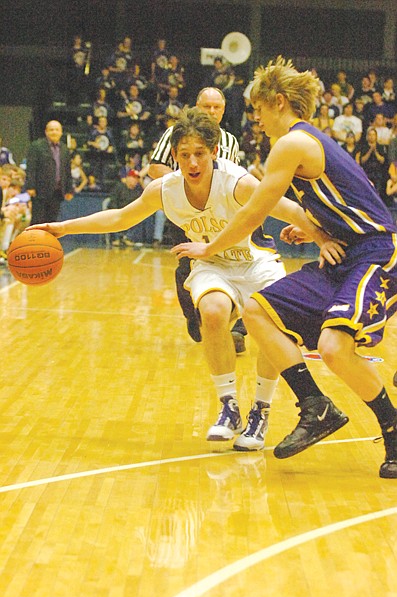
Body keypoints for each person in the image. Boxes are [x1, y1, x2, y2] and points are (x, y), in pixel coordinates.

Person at [27, 108, 320, 451]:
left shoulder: (238, 182)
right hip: (212, 262)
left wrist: (321, 235)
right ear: (175, 156)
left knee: (271, 325)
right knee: (211, 313)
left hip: (255, 262)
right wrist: (63, 228)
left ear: (213, 152)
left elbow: (286, 208)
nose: (192, 162)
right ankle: (229, 407)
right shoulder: (165, 189)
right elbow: (121, 217)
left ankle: (261, 409)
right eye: (184, 155)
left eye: (199, 154)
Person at [171, 58, 397, 479]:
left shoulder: (293, 142)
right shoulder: (304, 144)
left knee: (333, 347)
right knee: (257, 310)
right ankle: (316, 407)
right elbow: (334, 202)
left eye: (258, 110)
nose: (255, 120)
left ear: (278, 102)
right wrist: (314, 231)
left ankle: (393, 428)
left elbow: (255, 211)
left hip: (377, 251)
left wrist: (209, 248)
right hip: (343, 251)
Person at [148, 87, 243, 349]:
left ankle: (234, 327)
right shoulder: (176, 133)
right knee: (186, 267)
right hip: (186, 212)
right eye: (206, 106)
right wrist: (183, 184)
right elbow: (154, 166)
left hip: (222, 215)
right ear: (196, 107)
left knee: (235, 262)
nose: (212, 112)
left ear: (223, 111)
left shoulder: (231, 141)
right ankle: (194, 317)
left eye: (217, 107)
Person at [25, 120, 74, 224]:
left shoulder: (64, 149)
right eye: (51, 130)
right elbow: (31, 168)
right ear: (46, 132)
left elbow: (67, 170)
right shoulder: (36, 146)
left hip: (57, 192)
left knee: (52, 222)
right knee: (37, 221)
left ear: (61, 132)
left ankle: (48, 241)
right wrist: (30, 186)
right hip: (40, 191)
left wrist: (69, 189)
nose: (54, 132)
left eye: (57, 130)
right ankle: (34, 240)